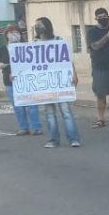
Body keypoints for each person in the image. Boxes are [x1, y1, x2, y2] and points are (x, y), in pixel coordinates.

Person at [33, 17, 83, 148]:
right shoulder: (34, 43)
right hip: (45, 84)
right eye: (36, 25)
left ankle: (74, 138)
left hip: (61, 82)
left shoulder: (59, 41)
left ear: (47, 26)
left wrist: (74, 74)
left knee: (66, 111)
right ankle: (53, 139)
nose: (37, 27)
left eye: (40, 25)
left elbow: (68, 61)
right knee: (49, 113)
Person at [0, 25, 42, 135]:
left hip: (27, 80)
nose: (14, 35)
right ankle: (24, 128)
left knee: (32, 105)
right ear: (6, 35)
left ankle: (36, 127)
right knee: (18, 106)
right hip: (10, 82)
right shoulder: (2, 49)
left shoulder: (26, 48)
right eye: (11, 33)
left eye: (17, 32)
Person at [86, 8, 109, 129]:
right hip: (100, 68)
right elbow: (95, 46)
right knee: (100, 95)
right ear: (96, 18)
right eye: (100, 17)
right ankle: (100, 119)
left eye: (105, 16)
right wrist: (108, 35)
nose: (103, 18)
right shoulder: (91, 32)